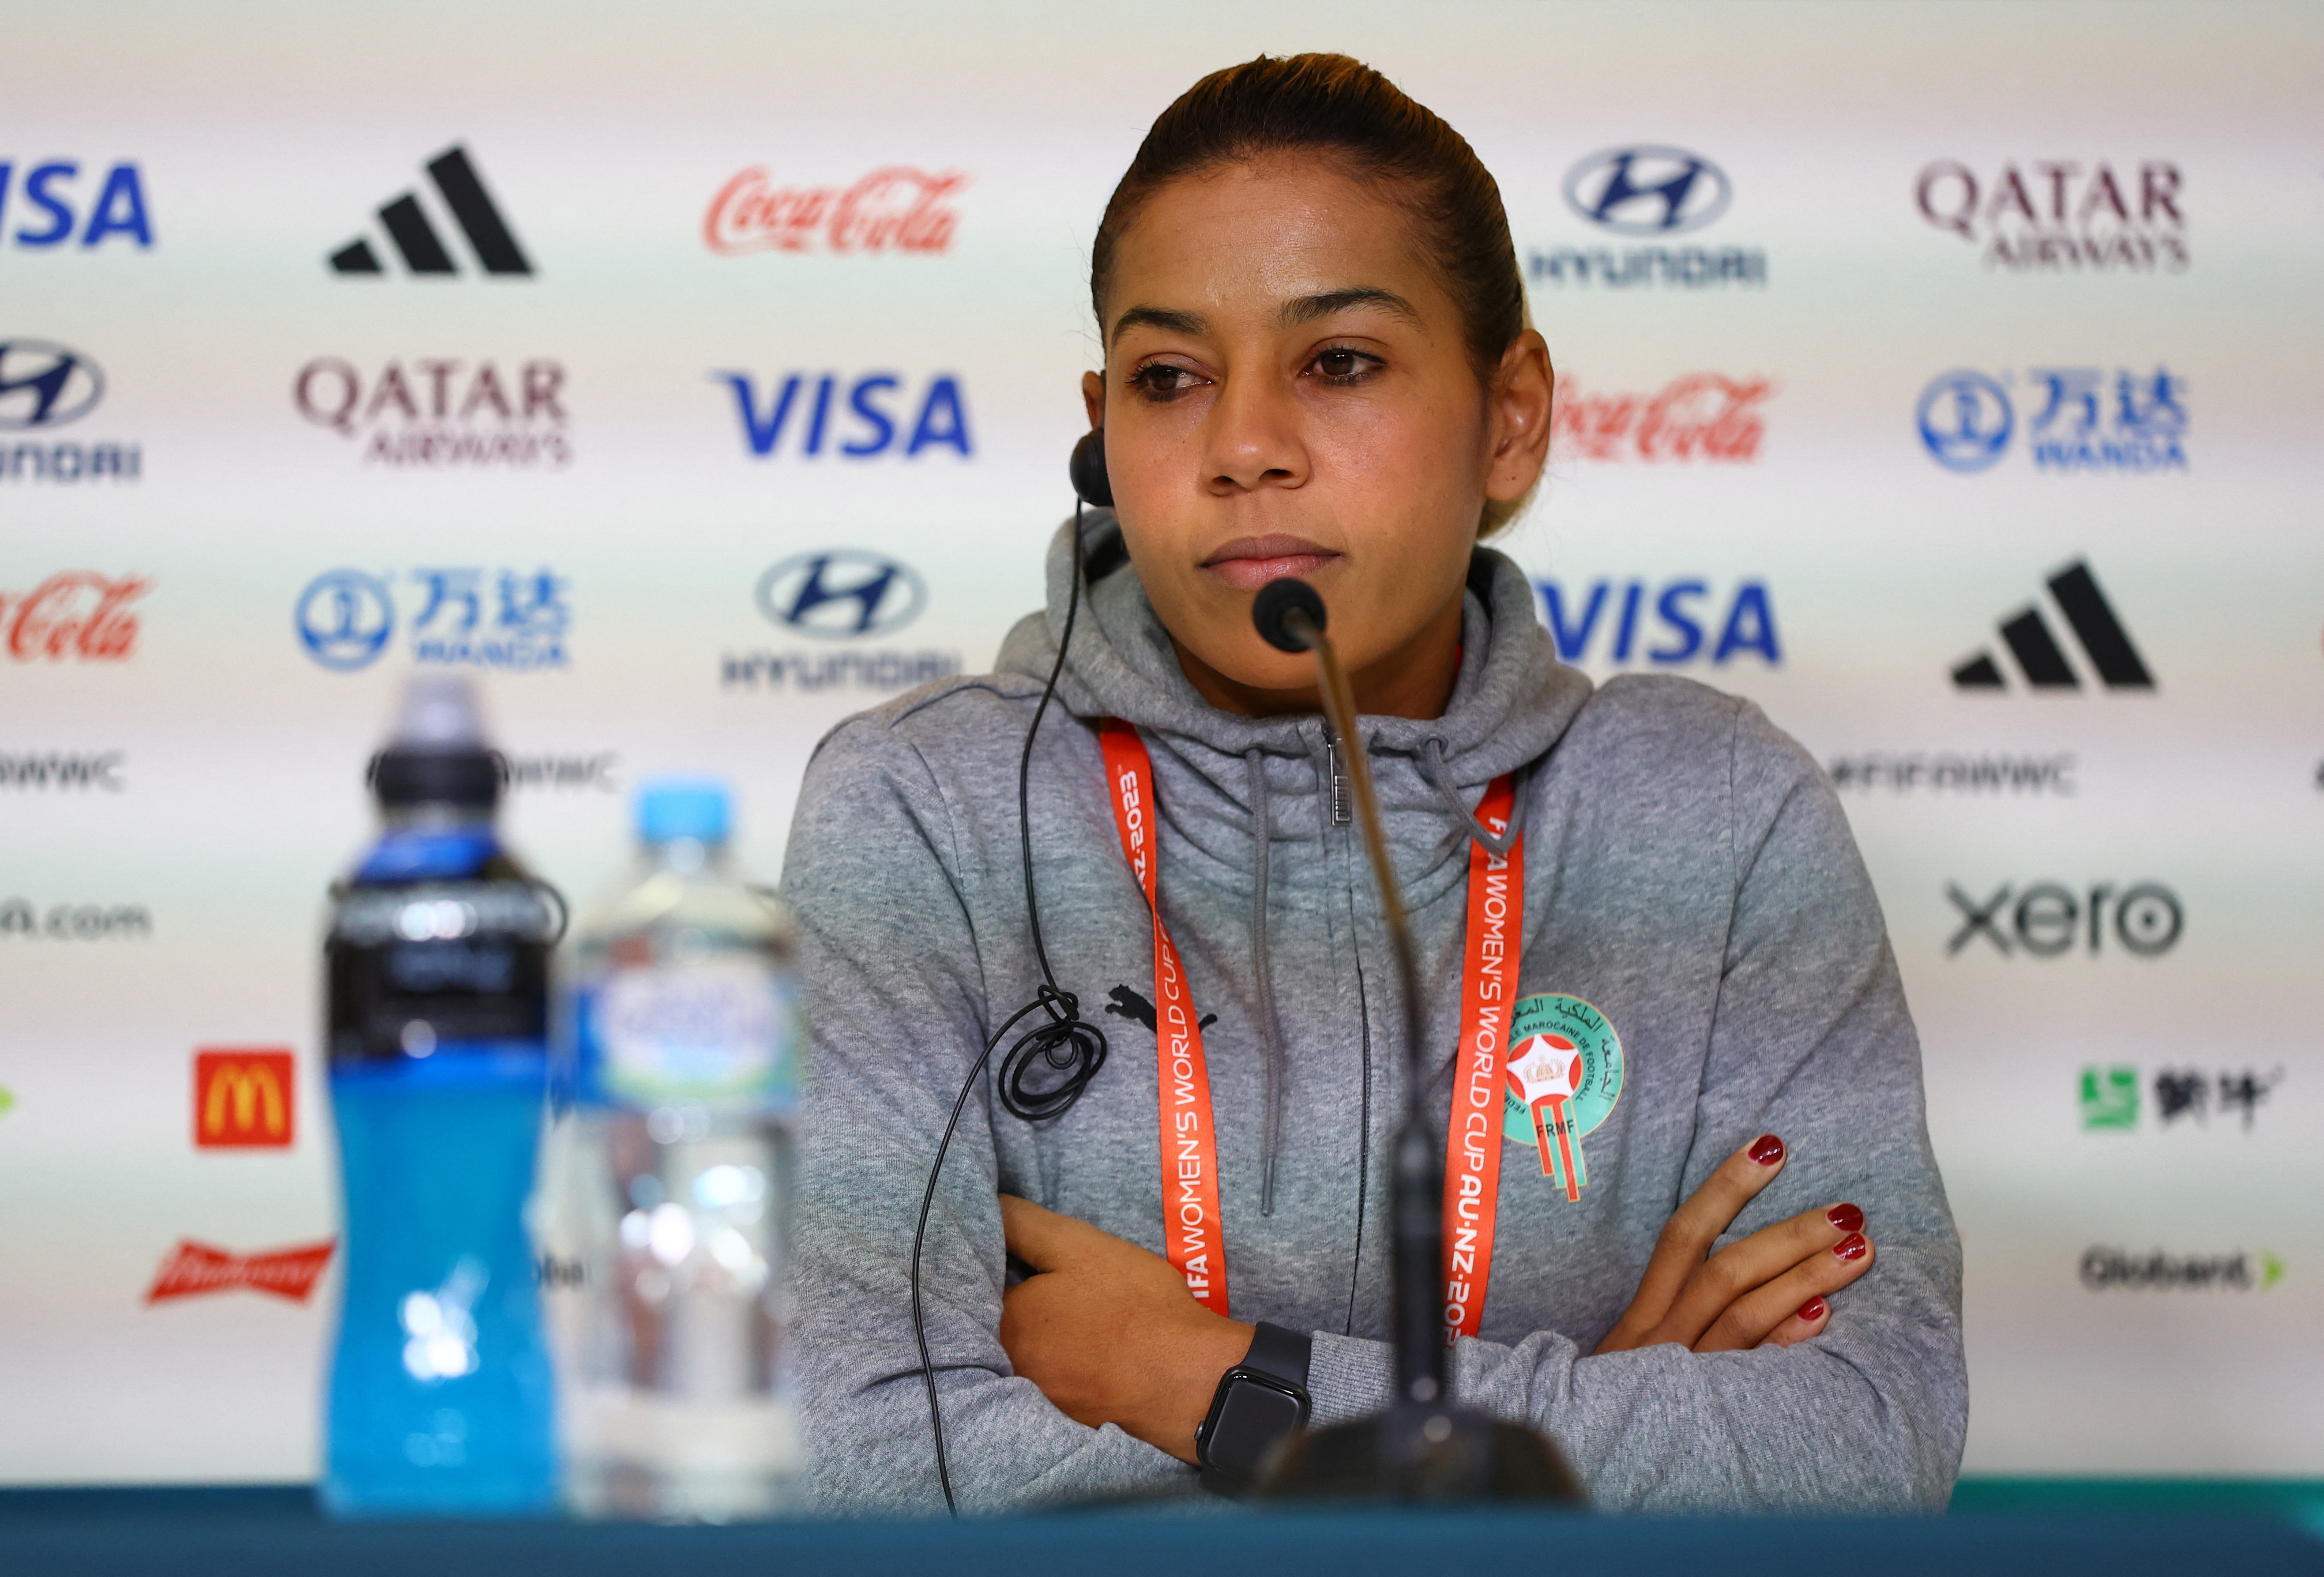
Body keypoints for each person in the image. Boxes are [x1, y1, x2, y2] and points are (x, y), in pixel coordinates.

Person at [783, 53, 1964, 1513]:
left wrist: (1213, 1385)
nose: (1245, 450)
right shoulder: (927, 813)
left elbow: (1863, 1442)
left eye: (1337, 363)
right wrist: (1539, 1457)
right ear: (1102, 436)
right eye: (1170, 380)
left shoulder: (1717, 812)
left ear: (1512, 412)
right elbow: (866, 1455)